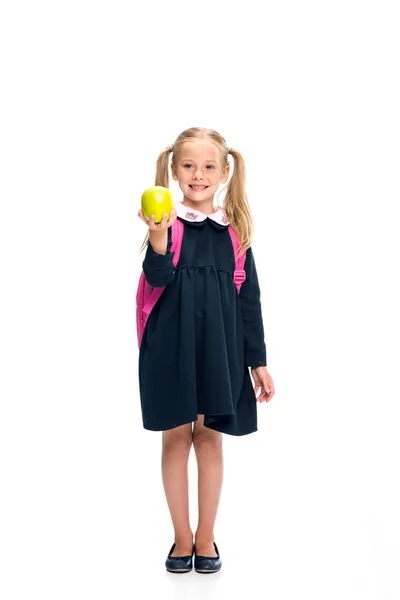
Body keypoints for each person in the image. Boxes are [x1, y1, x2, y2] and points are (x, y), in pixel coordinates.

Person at [137, 127, 275, 573]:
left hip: (220, 350)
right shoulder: (167, 226)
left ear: (225, 171)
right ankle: (181, 539)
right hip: (170, 348)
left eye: (208, 166)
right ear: (174, 171)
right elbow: (157, 279)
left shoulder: (235, 234)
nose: (199, 175)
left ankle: (206, 537)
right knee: (176, 438)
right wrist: (157, 239)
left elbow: (247, 300)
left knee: (210, 440)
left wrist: (258, 361)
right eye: (189, 166)